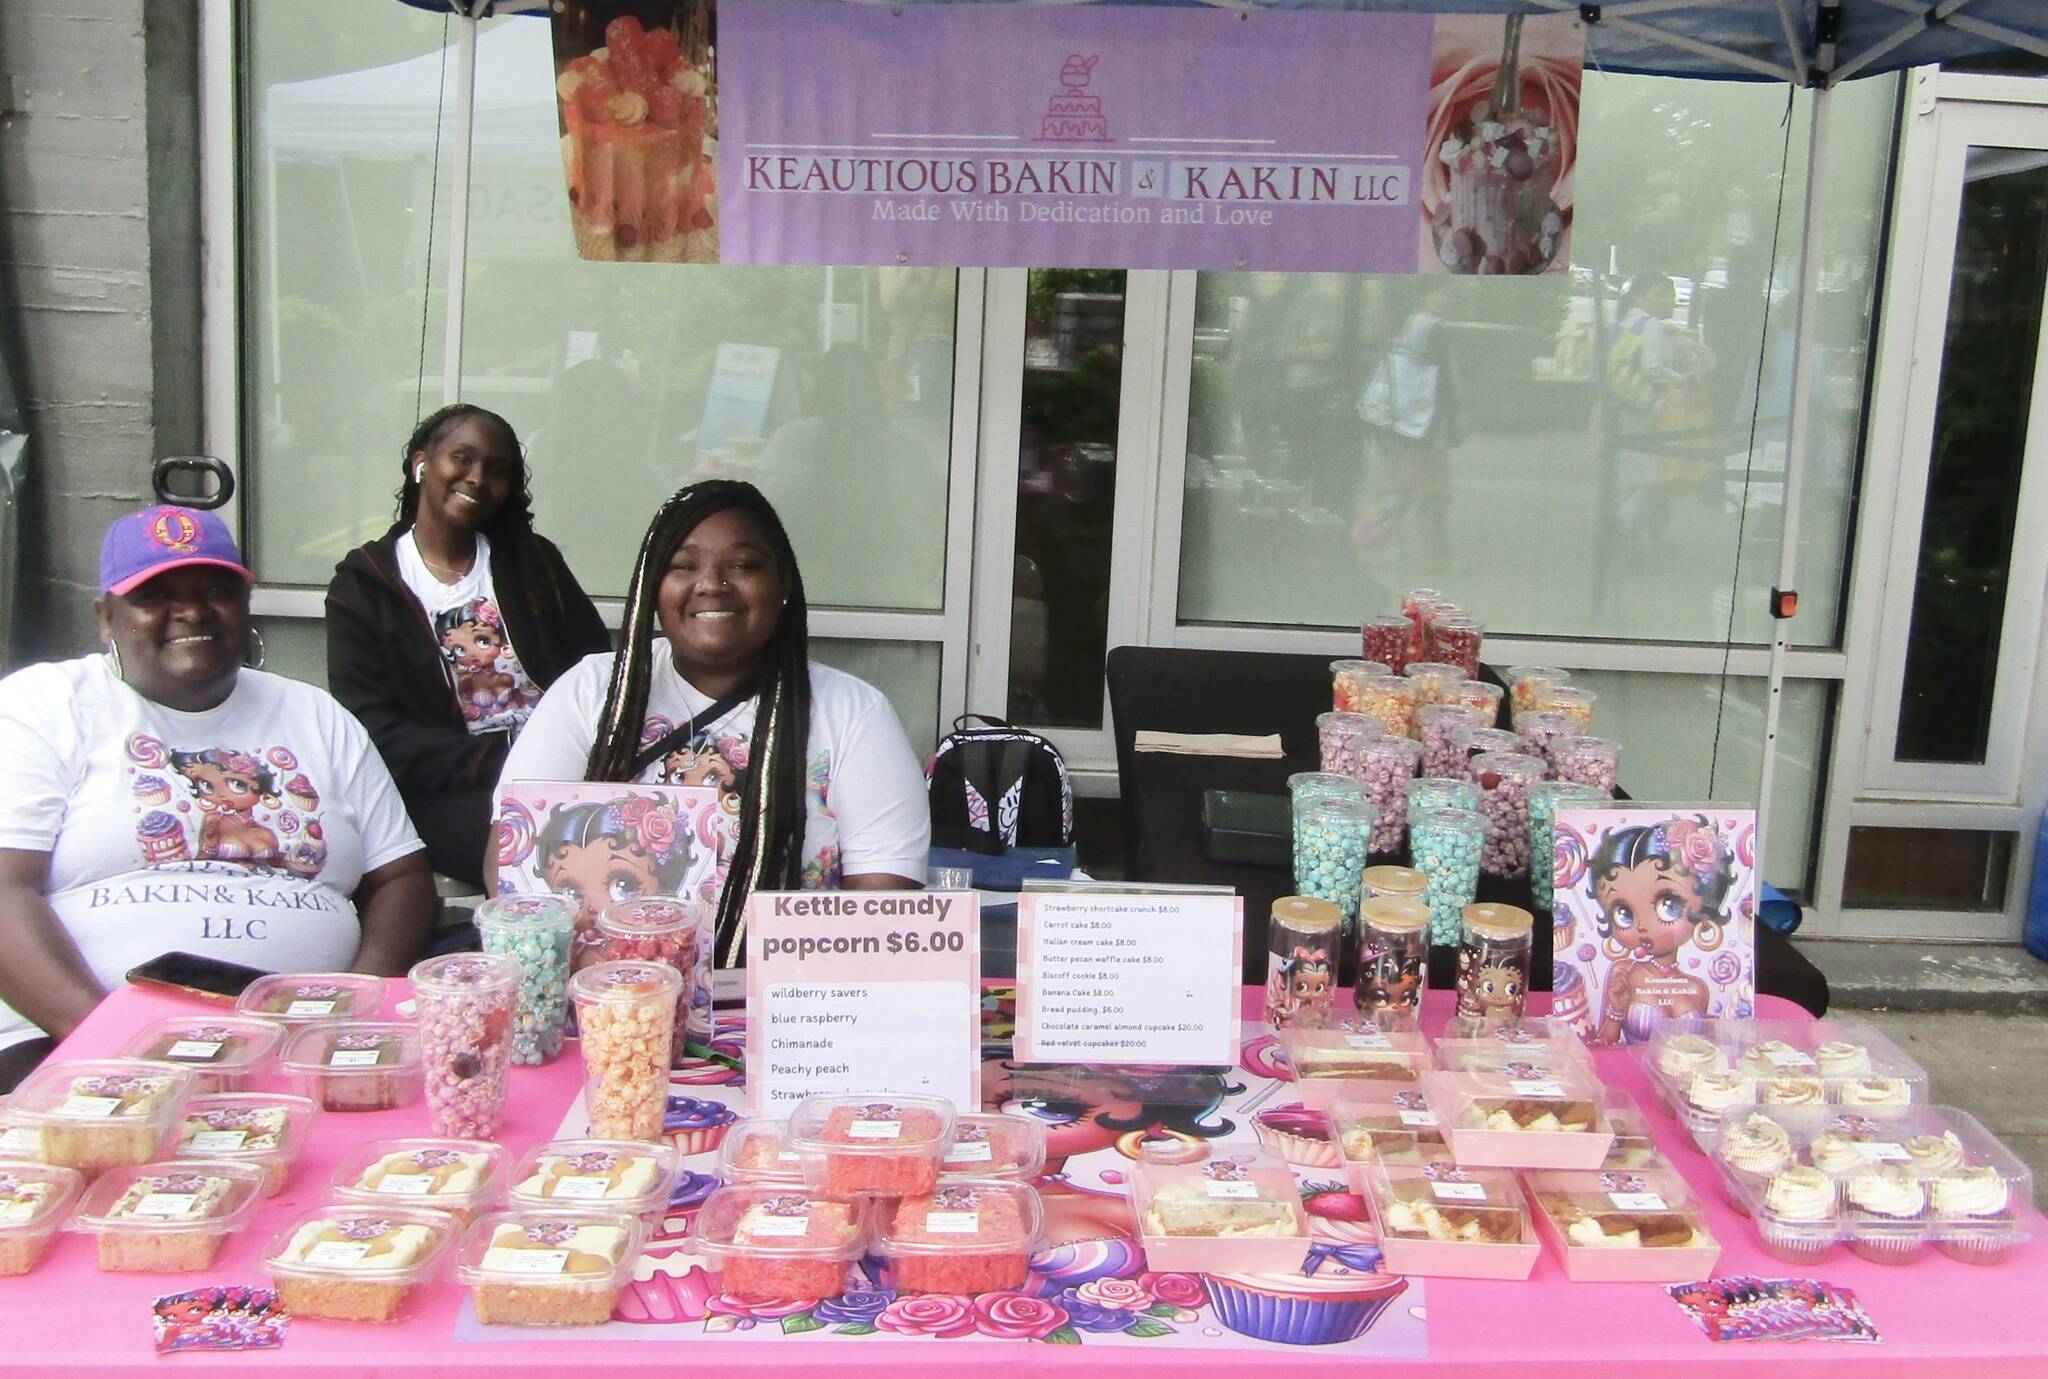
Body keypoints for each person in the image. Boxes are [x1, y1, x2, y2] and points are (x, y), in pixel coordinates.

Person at [0, 506, 434, 1086]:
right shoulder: (46, 705)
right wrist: (113, 1045)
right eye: (155, 595)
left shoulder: (315, 715)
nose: (191, 610)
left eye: (216, 589)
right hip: (80, 1039)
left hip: (303, 1046)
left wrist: (357, 1013)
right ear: (107, 618)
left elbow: (401, 878)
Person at [489, 479, 931, 966]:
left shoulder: (854, 713)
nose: (712, 583)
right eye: (683, 565)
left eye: (743, 565)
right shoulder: (589, 692)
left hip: (791, 1007)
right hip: (615, 1011)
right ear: (652, 585)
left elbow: (886, 904)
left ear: (783, 582)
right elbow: (516, 862)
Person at [326, 404, 610, 887]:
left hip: (567, 765)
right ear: (422, 464)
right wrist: (493, 759)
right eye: (463, 458)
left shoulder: (532, 564)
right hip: (450, 788)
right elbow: (371, 728)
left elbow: (596, 666)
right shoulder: (365, 588)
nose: (478, 478)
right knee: (545, 862)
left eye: (497, 471)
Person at [1590, 815, 1736, 1043]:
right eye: (1623, 913)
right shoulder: (1624, 973)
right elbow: (1603, 1045)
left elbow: (1705, 1053)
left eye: (1668, 905)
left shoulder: (1698, 989)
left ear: (1704, 905)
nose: (1642, 926)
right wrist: (1616, 1011)